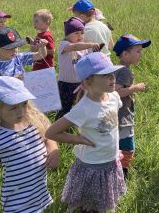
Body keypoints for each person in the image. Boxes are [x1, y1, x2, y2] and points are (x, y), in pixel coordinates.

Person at [45, 52, 126, 213]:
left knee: (103, 201)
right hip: (92, 165)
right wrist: (78, 139)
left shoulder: (114, 96)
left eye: (112, 73)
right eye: (105, 75)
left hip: (110, 159)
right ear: (88, 81)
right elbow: (52, 132)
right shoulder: (83, 108)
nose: (112, 78)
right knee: (88, 204)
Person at [0, 76, 59, 212]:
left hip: (40, 197)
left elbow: (48, 135)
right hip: (17, 204)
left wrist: (53, 148)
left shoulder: (33, 122)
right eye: (13, 108)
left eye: (24, 104)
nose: (21, 111)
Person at [112, 34, 151, 179]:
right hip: (123, 117)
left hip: (116, 116)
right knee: (128, 146)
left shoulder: (115, 68)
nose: (140, 55)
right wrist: (136, 88)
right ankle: (122, 176)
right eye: (138, 51)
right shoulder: (124, 71)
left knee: (117, 144)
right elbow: (116, 92)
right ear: (125, 54)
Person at [55, 17, 102, 120]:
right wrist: (91, 45)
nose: (80, 36)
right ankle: (57, 130)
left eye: (82, 32)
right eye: (76, 33)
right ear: (67, 35)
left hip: (81, 84)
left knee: (81, 107)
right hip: (66, 84)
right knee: (65, 108)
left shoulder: (84, 49)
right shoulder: (64, 45)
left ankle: (77, 126)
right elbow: (75, 47)